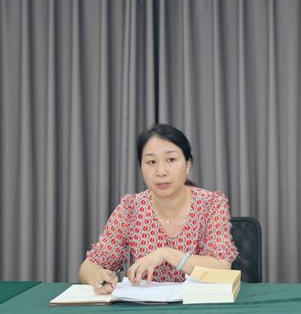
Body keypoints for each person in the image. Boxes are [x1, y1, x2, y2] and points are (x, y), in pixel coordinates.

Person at [79, 123, 238, 294]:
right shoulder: (130, 209)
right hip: (145, 307)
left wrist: (165, 254)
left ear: (187, 165)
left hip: (197, 305)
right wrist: (97, 276)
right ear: (141, 167)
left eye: (171, 160)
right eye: (151, 162)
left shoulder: (211, 204)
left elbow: (222, 267)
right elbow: (88, 267)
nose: (161, 171)